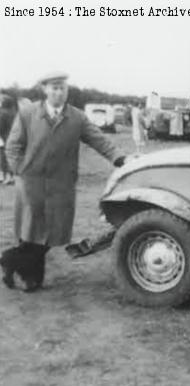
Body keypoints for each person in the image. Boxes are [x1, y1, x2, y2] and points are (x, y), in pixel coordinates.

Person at [1, 71, 128, 292]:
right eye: (55, 87)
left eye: (63, 88)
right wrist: (21, 170)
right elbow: (12, 147)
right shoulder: (28, 113)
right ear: (45, 90)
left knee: (51, 233)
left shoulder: (77, 117)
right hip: (32, 185)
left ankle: (10, 260)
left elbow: (98, 139)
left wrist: (120, 158)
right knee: (32, 231)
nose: (59, 92)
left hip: (61, 186)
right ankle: (30, 278)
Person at [0, 96, 16, 184]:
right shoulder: (14, 113)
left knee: (4, 157)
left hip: (4, 137)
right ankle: (12, 177)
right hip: (14, 137)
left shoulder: (2, 113)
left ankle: (5, 177)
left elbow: (1, 127)